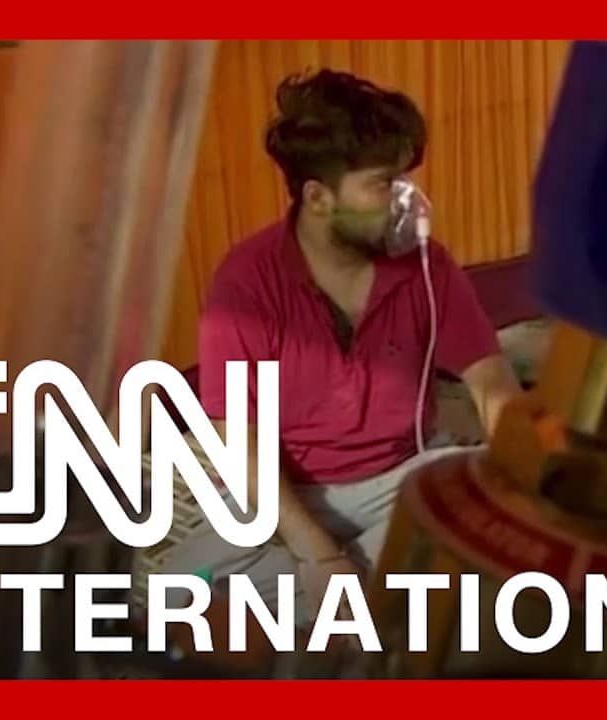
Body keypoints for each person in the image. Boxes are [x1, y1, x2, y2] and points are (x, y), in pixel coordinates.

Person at [156, 69, 521, 666]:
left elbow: (489, 379)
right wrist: (319, 555)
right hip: (281, 497)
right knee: (180, 604)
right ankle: (355, 612)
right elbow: (236, 439)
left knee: (487, 507)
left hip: (398, 478)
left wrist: (523, 468)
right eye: (383, 184)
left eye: (404, 179)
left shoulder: (426, 267)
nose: (408, 200)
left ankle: (347, 621)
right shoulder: (246, 284)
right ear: (318, 197)